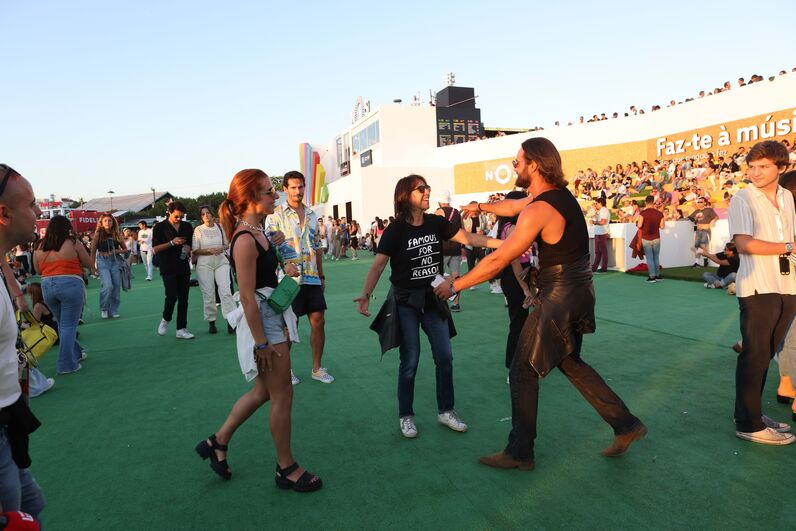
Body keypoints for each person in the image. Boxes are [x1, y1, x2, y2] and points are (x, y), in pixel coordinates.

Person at [435, 138, 646, 470]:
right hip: (577, 291)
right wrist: (482, 208)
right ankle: (626, 424)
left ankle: (520, 452)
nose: (514, 165)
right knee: (570, 362)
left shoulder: (539, 208)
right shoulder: (552, 198)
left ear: (534, 164)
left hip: (558, 296)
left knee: (522, 369)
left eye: (518, 161)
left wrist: (456, 284)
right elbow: (514, 207)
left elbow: (502, 257)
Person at [196, 168, 321, 493]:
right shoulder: (245, 240)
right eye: (268, 191)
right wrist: (262, 343)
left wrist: (279, 250)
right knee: (283, 395)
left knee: (265, 392)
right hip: (263, 322)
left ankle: (218, 441)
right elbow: (248, 298)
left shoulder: (259, 231)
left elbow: (266, 278)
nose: (275, 196)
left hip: (272, 317)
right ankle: (286, 468)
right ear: (251, 198)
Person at [354, 174, 501, 438]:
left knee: (444, 356)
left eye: (427, 188)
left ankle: (446, 410)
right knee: (410, 360)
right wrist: (366, 294)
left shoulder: (436, 222)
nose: (426, 192)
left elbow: (468, 238)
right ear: (405, 196)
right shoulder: (395, 230)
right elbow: (378, 265)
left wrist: (507, 244)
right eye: (420, 189)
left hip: (434, 298)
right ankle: (406, 415)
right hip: (405, 301)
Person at [728, 140, 796, 444]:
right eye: (752, 166)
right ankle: (749, 424)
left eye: (763, 166)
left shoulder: (787, 197)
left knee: (767, 352)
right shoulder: (743, 198)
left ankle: (750, 412)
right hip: (758, 285)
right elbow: (744, 244)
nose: (755, 172)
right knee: (755, 354)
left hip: (789, 284)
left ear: (781, 168)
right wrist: (790, 247)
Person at [0, 164, 46, 521]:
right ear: (3, 214)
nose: (39, 213)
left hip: (11, 417)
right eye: (31, 204)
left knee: (31, 508)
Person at [266, 171, 333, 384]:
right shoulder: (275, 215)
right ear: (285, 189)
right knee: (288, 327)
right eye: (293, 187)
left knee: (318, 321)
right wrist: (284, 264)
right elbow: (269, 247)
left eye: (301, 186)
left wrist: (321, 275)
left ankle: (317, 368)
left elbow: (317, 246)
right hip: (289, 280)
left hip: (312, 277)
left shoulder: (312, 214)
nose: (298, 191)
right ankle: (286, 370)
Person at [33, 215, 94, 374]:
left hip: (47, 285)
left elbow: (38, 270)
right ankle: (66, 364)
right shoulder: (73, 243)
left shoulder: (39, 246)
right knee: (68, 325)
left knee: (62, 324)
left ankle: (76, 353)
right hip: (70, 284)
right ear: (67, 227)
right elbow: (90, 264)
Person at [497, 190, 535, 381]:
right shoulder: (511, 228)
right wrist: (525, 288)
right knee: (519, 323)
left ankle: (524, 362)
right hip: (516, 280)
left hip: (522, 276)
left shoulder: (518, 226)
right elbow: (514, 261)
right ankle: (512, 367)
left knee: (525, 322)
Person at [152, 201, 194, 339]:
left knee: (184, 299)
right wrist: (171, 243)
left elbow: (191, 245)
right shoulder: (159, 227)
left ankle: (181, 329)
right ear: (169, 213)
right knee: (171, 296)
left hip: (183, 265)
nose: (179, 219)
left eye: (181, 217)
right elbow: (155, 249)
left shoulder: (187, 226)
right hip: (167, 265)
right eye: (176, 216)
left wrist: (188, 248)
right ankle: (166, 318)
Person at [192, 205, 235, 335]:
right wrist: (209, 250)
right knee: (209, 293)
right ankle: (211, 322)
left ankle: (231, 322)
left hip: (221, 261)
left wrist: (221, 248)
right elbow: (195, 249)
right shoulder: (198, 230)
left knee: (226, 291)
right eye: (203, 214)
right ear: (201, 217)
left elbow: (227, 244)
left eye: (208, 213)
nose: (206, 216)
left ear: (212, 215)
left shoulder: (220, 227)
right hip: (204, 264)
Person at [90, 213, 126, 319]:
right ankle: (104, 308)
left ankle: (113, 309)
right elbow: (92, 251)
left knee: (115, 287)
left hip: (115, 261)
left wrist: (116, 251)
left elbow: (125, 249)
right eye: (105, 221)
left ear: (113, 222)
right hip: (102, 261)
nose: (107, 223)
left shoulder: (117, 234)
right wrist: (92, 266)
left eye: (110, 220)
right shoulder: (98, 234)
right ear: (101, 222)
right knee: (107, 286)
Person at [434, 190, 464, 312]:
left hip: (442, 249)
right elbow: (463, 229)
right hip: (455, 248)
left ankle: (440, 301)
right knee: (456, 277)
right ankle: (456, 303)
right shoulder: (457, 212)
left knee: (437, 276)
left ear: (440, 201)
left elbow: (434, 230)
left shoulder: (439, 212)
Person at [637, 195, 665, 283]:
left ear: (646, 202)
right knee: (656, 257)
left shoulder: (643, 213)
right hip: (656, 237)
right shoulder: (660, 213)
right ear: (653, 202)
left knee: (649, 258)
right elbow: (662, 226)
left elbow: (639, 225)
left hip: (646, 238)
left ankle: (652, 276)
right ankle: (658, 275)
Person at [688, 197, 718, 267]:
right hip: (698, 231)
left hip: (705, 230)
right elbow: (690, 218)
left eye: (701, 202)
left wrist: (712, 221)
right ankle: (697, 263)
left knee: (703, 246)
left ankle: (705, 260)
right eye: (698, 202)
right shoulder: (696, 211)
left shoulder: (709, 210)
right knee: (697, 247)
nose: (699, 203)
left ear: (705, 203)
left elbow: (716, 217)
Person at [589, 196, 610, 272]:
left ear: (600, 203)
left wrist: (594, 222)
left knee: (602, 251)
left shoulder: (604, 210)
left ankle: (604, 268)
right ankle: (595, 267)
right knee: (598, 252)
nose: (596, 205)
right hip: (598, 233)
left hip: (602, 233)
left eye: (596, 203)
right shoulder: (600, 210)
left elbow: (603, 222)